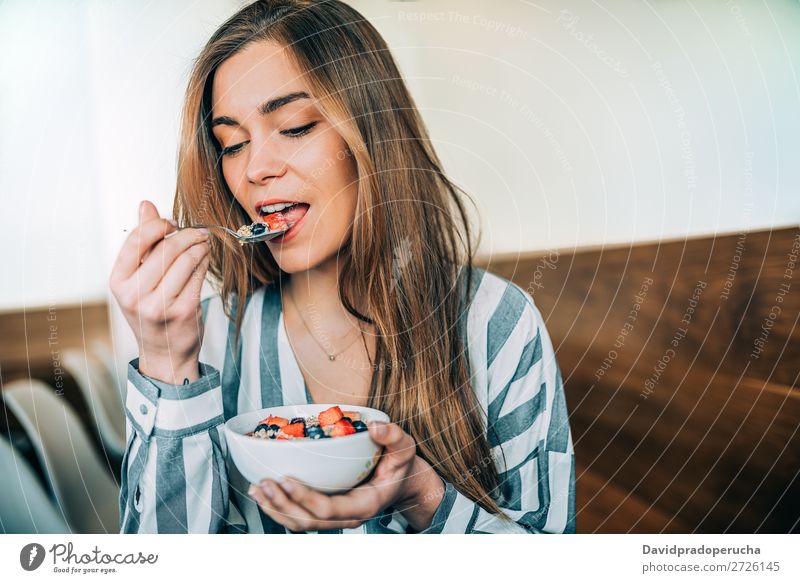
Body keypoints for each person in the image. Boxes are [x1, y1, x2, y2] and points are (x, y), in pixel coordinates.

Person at [109, 0, 575, 534]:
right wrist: (167, 363)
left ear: (371, 137)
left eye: (296, 126)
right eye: (232, 144)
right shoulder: (207, 338)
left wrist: (422, 494)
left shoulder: (496, 324)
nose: (256, 168)